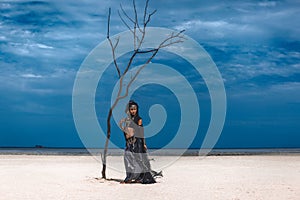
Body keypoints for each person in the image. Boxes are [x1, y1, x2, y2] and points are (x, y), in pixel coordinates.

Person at [119, 100, 162, 184]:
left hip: (137, 142)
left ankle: (136, 177)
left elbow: (141, 132)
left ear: (137, 109)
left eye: (135, 109)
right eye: (131, 109)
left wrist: (144, 143)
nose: (133, 111)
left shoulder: (139, 119)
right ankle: (130, 177)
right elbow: (126, 131)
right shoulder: (127, 119)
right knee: (128, 158)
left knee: (138, 159)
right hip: (129, 142)